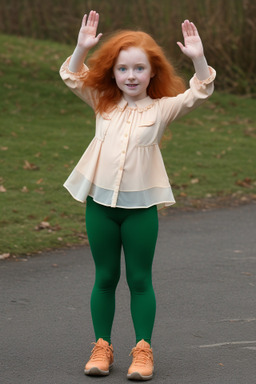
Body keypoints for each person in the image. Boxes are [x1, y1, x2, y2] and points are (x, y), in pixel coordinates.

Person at [60, 10, 216, 381]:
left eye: (139, 69)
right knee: (105, 276)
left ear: (152, 73)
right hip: (100, 205)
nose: (131, 76)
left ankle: (143, 350)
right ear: (113, 72)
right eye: (123, 69)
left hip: (140, 209)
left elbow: (201, 89)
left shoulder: (162, 109)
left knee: (140, 279)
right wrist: (82, 48)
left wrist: (198, 57)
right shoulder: (102, 102)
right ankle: (102, 346)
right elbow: (71, 75)